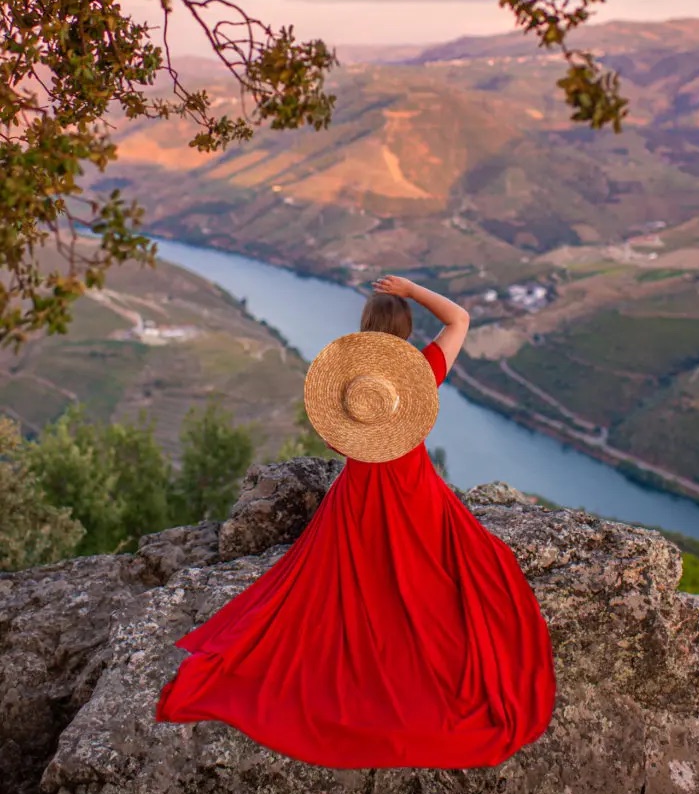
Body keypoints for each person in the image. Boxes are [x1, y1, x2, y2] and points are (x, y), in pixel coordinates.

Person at [155, 275, 556, 768]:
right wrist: (412, 289)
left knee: (336, 593)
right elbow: (460, 319)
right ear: (406, 331)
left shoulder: (349, 389)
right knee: (453, 577)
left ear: (364, 329)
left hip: (358, 503)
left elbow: (337, 442)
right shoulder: (422, 371)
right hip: (417, 495)